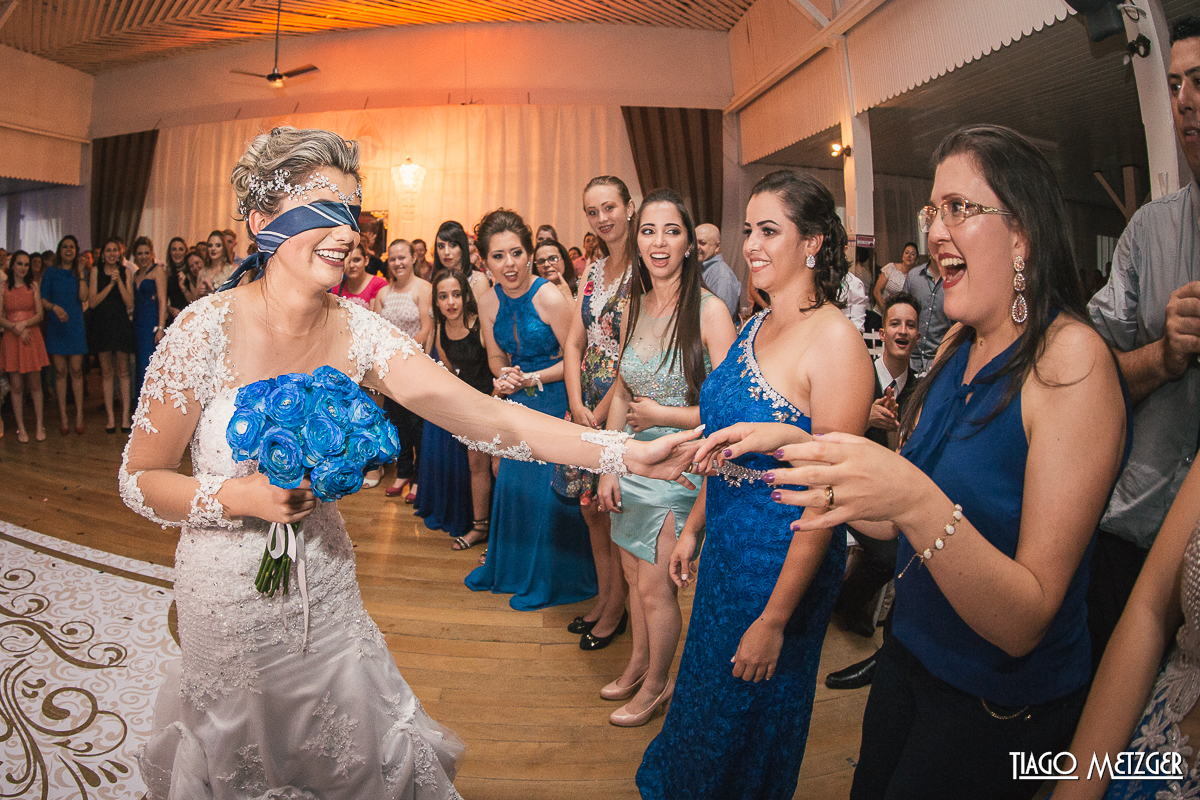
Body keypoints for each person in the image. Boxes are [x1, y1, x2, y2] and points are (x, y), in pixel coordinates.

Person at [119, 126, 700, 799]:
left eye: (351, 211)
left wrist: (625, 450)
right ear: (260, 222)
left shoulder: (360, 331)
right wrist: (237, 500)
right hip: (222, 604)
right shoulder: (201, 331)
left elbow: (492, 417)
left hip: (327, 599)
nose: (345, 231)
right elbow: (138, 481)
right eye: (321, 206)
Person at [739, 125, 1128, 800]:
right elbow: (894, 526)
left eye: (959, 208)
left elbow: (1025, 619)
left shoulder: (1072, 364)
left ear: (1023, 236)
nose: (937, 230)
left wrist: (913, 496)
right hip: (908, 663)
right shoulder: (956, 345)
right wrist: (797, 449)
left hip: (995, 707)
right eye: (933, 210)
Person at [635, 168, 873, 798]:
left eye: (770, 231)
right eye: (748, 231)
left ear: (813, 242)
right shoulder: (754, 323)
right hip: (726, 552)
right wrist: (694, 527)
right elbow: (726, 441)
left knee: (750, 715)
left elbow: (826, 496)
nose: (752, 246)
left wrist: (774, 619)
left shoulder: (837, 344)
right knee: (706, 698)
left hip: (783, 562)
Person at [1084, 14, 1200, 674]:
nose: (1183, 99)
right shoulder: (1150, 235)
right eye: (1176, 82)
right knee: (1116, 748)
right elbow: (1092, 382)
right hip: (1134, 532)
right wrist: (1164, 354)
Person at [596, 189, 737, 726]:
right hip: (633, 465)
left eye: (671, 231)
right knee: (633, 577)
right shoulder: (634, 303)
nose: (659, 242)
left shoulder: (710, 311)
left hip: (681, 469)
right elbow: (624, 392)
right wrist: (610, 461)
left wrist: (668, 418)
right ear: (637, 238)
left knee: (657, 589)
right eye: (649, 230)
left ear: (689, 244)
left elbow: (730, 414)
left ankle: (657, 685)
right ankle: (636, 665)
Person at [465, 208, 598, 610]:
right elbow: (494, 354)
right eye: (499, 256)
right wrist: (503, 376)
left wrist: (532, 379)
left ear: (529, 253)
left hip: (557, 403)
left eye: (517, 253)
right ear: (485, 261)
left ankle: (555, 577)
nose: (510, 264)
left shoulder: (549, 295)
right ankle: (514, 569)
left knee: (548, 495)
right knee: (514, 486)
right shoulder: (487, 301)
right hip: (518, 404)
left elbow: (579, 355)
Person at [824, 291, 922, 690]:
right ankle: (845, 603)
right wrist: (864, 417)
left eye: (910, 325)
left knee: (913, 546)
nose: (902, 331)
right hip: (846, 485)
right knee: (887, 553)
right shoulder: (858, 371)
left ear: (918, 335)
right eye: (895, 323)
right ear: (882, 331)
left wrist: (899, 429)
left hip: (892, 493)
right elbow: (826, 430)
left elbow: (910, 455)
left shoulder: (920, 387)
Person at [559, 175, 637, 649]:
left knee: (611, 509)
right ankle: (606, 596)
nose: (603, 218)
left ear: (630, 207)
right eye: (593, 211)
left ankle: (617, 610)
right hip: (583, 397)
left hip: (622, 401)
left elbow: (633, 351)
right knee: (589, 510)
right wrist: (573, 401)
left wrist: (604, 408)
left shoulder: (646, 271)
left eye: (610, 207)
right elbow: (573, 342)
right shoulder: (591, 272)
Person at [420, 268, 492, 548]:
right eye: (443, 296)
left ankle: (497, 533)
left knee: (498, 467)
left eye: (456, 295)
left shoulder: (479, 323)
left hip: (496, 399)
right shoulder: (441, 329)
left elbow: (498, 363)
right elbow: (450, 371)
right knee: (477, 465)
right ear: (436, 302)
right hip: (470, 406)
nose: (451, 302)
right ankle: (480, 528)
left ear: (466, 296)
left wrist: (490, 401)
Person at [372, 239, 433, 499]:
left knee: (417, 424)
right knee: (397, 423)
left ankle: (419, 478)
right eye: (393, 258)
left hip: (415, 366)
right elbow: (376, 329)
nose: (398, 263)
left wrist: (403, 353)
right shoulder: (383, 293)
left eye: (402, 258)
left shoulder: (423, 288)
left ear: (413, 259)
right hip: (390, 370)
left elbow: (427, 328)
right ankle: (403, 471)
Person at [40, 235, 88, 435]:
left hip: (75, 324)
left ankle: (78, 415)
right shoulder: (51, 272)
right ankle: (63, 417)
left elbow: (84, 297)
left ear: (76, 251)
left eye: (72, 247)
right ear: (60, 250)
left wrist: (81, 274)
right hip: (56, 325)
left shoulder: (79, 272)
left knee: (76, 370)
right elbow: (41, 298)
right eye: (65, 247)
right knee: (59, 372)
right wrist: (54, 308)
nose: (68, 250)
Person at [2, 250, 50, 442]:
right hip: (12, 337)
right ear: (12, 265)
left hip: (32, 336)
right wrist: (16, 327)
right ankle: (21, 428)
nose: (23, 268)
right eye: (19, 264)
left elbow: (39, 314)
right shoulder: (2, 287)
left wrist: (24, 325)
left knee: (36, 384)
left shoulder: (33, 286)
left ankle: (39, 425)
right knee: (16, 386)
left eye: (26, 264)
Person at [90, 237, 136, 434]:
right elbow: (92, 302)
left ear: (120, 253)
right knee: (107, 373)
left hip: (120, 325)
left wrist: (119, 282)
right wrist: (109, 284)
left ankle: (125, 417)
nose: (111, 254)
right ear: (103, 254)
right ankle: (110, 417)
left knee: (123, 372)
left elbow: (129, 302)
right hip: (102, 326)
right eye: (108, 250)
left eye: (114, 250)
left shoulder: (126, 271)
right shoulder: (95, 271)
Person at [902, 240, 951, 375]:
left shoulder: (953, 280)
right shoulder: (914, 276)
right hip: (911, 357)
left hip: (941, 358)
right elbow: (903, 312)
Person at [131, 236, 168, 394]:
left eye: (146, 253)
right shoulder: (136, 274)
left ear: (152, 253)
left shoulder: (157, 271)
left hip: (152, 324)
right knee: (140, 365)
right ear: (135, 256)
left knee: (150, 366)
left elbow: (162, 300)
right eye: (140, 253)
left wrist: (160, 327)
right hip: (138, 324)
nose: (143, 256)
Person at [695, 223, 743, 324]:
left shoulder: (723, 276)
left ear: (717, 246)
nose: (696, 247)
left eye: (702, 243)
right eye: (694, 242)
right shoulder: (700, 269)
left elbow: (721, 321)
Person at [331, 242, 388, 308]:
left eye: (356, 260)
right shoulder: (337, 288)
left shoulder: (379, 285)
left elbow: (375, 315)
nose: (352, 265)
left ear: (366, 261)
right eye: (347, 261)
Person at [873, 241, 918, 311]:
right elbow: (876, 291)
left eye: (913, 254)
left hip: (899, 316)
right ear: (903, 255)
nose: (909, 256)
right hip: (880, 313)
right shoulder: (891, 268)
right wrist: (885, 312)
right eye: (907, 253)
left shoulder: (915, 277)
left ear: (916, 259)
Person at [533, 238, 577, 303]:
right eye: (541, 261)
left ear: (564, 260)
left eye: (553, 258)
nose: (546, 264)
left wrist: (568, 296)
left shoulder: (581, 288)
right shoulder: (532, 295)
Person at [163, 236, 192, 322]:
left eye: (181, 249)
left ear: (186, 252)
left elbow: (194, 299)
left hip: (190, 318)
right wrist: (170, 309)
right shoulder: (167, 274)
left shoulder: (191, 272)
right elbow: (163, 300)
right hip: (174, 318)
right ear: (170, 252)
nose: (177, 253)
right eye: (174, 249)